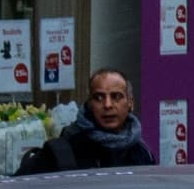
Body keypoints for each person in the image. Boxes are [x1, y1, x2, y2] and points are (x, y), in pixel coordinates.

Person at [20, 68, 155, 173]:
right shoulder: (61, 152)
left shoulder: (142, 153)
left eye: (116, 97)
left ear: (130, 103)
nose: (107, 105)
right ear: (89, 103)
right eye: (99, 98)